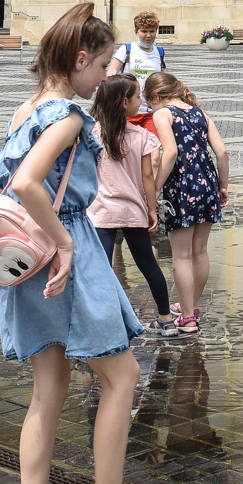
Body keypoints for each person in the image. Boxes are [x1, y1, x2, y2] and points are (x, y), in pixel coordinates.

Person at [0, 1, 140, 484]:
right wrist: (66, 244)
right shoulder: (70, 117)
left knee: (48, 390)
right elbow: (29, 183)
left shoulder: (26, 108)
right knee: (122, 377)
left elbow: (11, 183)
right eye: (103, 66)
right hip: (62, 246)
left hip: (25, 253)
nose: (105, 78)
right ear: (79, 60)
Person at [88, 73, 175, 337]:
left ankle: (103, 324)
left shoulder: (92, 134)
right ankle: (166, 320)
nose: (142, 102)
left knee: (100, 269)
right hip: (133, 210)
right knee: (149, 265)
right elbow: (148, 176)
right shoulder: (141, 136)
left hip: (101, 211)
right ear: (125, 102)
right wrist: (152, 209)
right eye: (138, 97)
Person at [147, 71, 228, 336]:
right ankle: (190, 306)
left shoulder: (163, 114)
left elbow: (169, 153)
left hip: (181, 186)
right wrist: (223, 186)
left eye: (149, 103)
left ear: (156, 96)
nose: (150, 108)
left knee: (181, 256)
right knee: (200, 251)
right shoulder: (200, 113)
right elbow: (222, 152)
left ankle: (188, 319)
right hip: (207, 183)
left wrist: (155, 188)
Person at [109, 11, 167, 82]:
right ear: (136, 32)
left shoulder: (160, 52)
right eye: (144, 31)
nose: (148, 35)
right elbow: (109, 78)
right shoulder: (126, 50)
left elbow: (162, 82)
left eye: (152, 31)